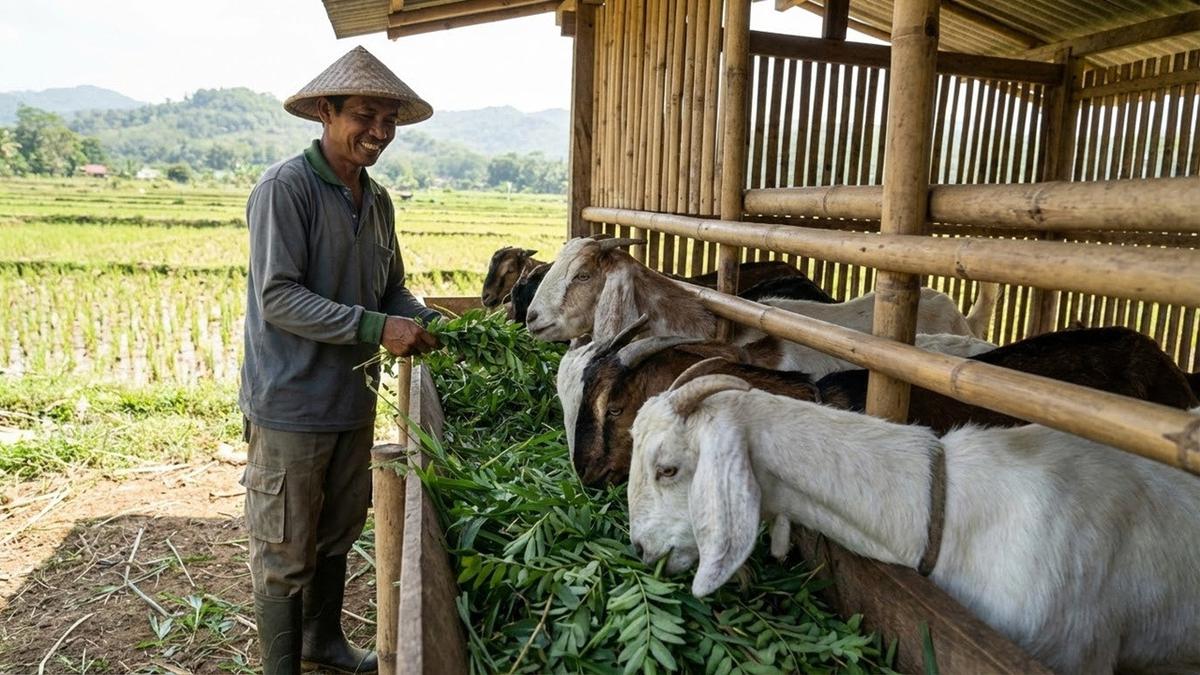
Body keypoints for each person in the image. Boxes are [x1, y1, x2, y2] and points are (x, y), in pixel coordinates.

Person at [238, 46, 440, 675]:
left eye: (390, 122)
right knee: (284, 546)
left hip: (352, 400)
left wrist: (430, 321)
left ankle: (320, 641)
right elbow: (279, 297)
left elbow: (391, 288)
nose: (379, 133)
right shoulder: (286, 188)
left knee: (337, 532)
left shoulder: (377, 202)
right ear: (326, 111)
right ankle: (282, 667)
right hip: (291, 401)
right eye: (366, 116)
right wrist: (379, 326)